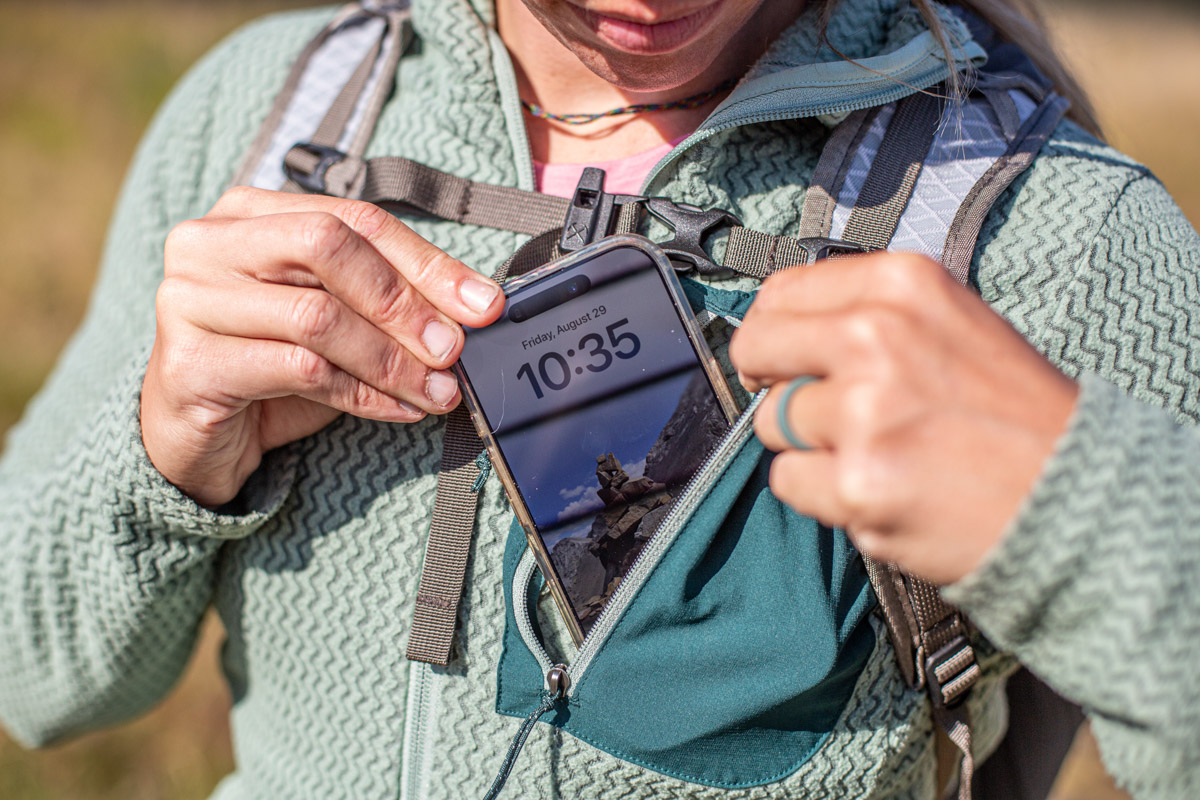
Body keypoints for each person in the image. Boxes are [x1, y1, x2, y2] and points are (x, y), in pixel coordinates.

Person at [1, 0, 1197, 798]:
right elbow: (34, 674)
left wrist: (1096, 518)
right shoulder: (281, 113)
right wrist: (157, 453)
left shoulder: (1057, 233)